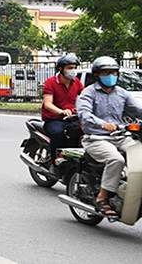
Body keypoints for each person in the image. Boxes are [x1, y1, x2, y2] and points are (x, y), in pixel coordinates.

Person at [76, 56, 142, 217]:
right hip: (96, 137)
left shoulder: (122, 93)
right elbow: (84, 114)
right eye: (106, 72)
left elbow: (138, 111)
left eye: (113, 72)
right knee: (116, 160)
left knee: (139, 157)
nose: (110, 75)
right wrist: (102, 124)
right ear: (97, 75)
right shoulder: (88, 92)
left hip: (121, 136)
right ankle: (102, 197)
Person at [41, 53, 84, 167]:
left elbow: (86, 97)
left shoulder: (77, 82)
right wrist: (61, 111)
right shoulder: (51, 82)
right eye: (70, 68)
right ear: (61, 69)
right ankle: (53, 163)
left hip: (72, 118)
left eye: (74, 68)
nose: (73, 71)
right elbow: (48, 104)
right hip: (54, 119)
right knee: (58, 133)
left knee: (84, 131)